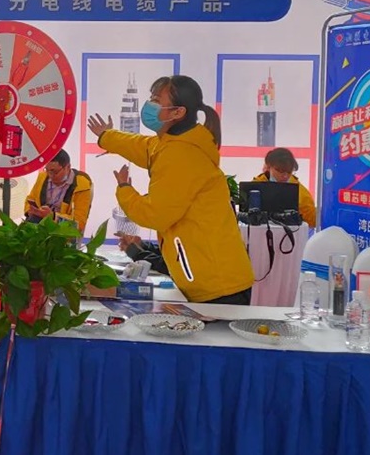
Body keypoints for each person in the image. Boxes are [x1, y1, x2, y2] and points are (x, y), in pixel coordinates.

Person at [87, 74, 254, 305]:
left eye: (157, 100)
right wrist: (107, 137)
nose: (149, 105)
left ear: (177, 112)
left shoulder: (181, 155)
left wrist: (125, 189)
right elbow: (143, 147)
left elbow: (156, 214)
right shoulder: (174, 142)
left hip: (218, 285)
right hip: (214, 278)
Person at [24, 149, 93, 234]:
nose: (51, 175)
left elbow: (78, 223)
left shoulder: (82, 187)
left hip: (62, 232)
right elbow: (30, 199)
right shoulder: (43, 177)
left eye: (55, 172)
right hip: (38, 223)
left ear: (68, 167)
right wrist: (30, 211)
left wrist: (53, 216)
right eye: (47, 170)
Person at [252, 147, 317, 228]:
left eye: (289, 172)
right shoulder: (255, 187)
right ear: (269, 167)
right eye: (280, 171)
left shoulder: (301, 192)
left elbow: (313, 221)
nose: (285, 176)